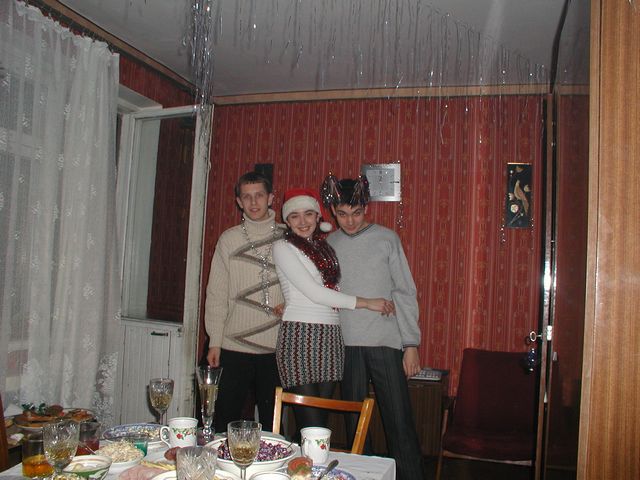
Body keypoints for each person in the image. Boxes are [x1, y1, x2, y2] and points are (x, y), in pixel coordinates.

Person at [323, 175, 424, 480]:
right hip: (346, 344)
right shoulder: (329, 244)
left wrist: (411, 344)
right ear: (333, 211)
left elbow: (404, 292)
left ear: (366, 208)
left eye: (356, 213)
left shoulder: (386, 239)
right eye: (342, 214)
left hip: (385, 342)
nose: (350, 221)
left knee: (399, 421)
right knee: (356, 426)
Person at [272, 188, 394, 432]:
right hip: (300, 336)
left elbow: (335, 289)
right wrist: (367, 302)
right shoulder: (283, 247)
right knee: (312, 425)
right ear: (287, 221)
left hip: (331, 336)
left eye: (308, 214)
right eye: (295, 216)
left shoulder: (325, 249)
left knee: (319, 425)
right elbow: (314, 293)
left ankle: (303, 458)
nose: (303, 221)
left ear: (318, 217)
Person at [204, 171, 285, 433]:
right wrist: (215, 340)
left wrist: (291, 305)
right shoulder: (228, 240)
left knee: (273, 427)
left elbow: (305, 285)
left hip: (275, 347)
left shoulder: (288, 237)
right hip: (233, 345)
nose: (253, 202)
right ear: (239, 201)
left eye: (259, 195)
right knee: (224, 421)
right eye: (246, 197)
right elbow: (216, 293)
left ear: (270, 198)